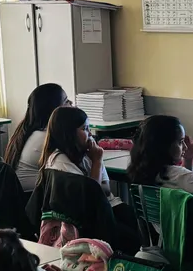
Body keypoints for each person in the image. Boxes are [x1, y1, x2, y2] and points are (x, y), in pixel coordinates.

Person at [41, 106, 141, 253]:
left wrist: (95, 162)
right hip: (87, 219)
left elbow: (105, 188)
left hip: (105, 208)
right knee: (131, 236)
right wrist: (97, 162)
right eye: (84, 129)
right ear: (69, 133)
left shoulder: (84, 154)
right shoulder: (60, 161)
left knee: (134, 219)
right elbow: (92, 197)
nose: (90, 134)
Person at [4, 83, 72, 191]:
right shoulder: (47, 138)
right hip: (33, 201)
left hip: (24, 199)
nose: (71, 104)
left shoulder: (29, 131)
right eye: (66, 101)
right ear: (53, 109)